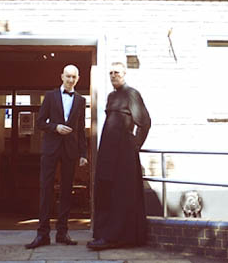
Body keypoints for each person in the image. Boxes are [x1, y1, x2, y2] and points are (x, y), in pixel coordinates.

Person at [87, 61, 151, 250]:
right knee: (105, 192)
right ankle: (104, 234)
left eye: (117, 72)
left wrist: (135, 145)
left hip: (123, 155)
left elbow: (145, 122)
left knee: (120, 194)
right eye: (111, 73)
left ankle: (116, 237)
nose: (113, 75)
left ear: (124, 74)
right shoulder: (110, 96)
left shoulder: (132, 94)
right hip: (107, 153)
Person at [25, 64, 88, 249]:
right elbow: (40, 122)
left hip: (70, 150)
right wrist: (56, 127)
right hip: (51, 148)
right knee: (46, 189)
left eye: (74, 77)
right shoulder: (50, 96)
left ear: (78, 78)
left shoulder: (80, 100)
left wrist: (83, 153)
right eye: (67, 76)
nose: (70, 80)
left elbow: (81, 129)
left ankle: (62, 233)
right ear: (62, 76)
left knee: (67, 191)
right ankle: (42, 234)